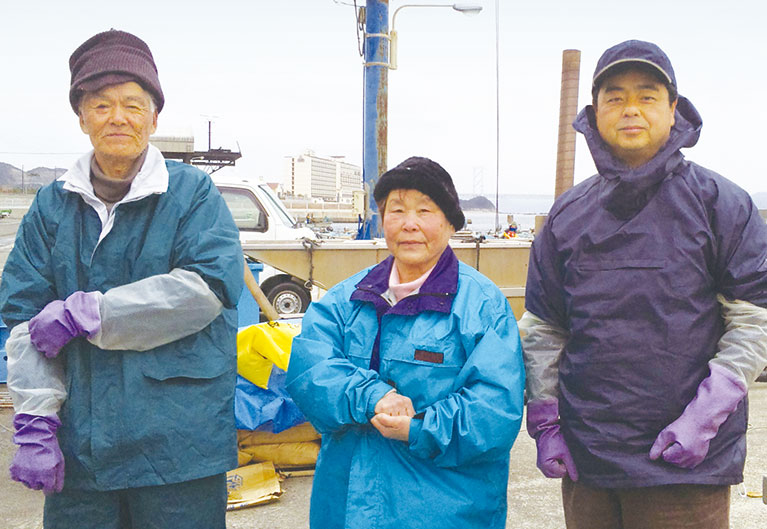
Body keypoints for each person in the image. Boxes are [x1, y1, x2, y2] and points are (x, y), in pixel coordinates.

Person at [0, 29, 243, 529]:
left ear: (153, 118)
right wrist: (36, 419)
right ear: (81, 117)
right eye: (101, 104)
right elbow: (23, 314)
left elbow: (208, 289)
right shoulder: (51, 205)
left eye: (133, 105)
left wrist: (92, 313)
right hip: (81, 448)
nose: (118, 117)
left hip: (180, 449)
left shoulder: (193, 193)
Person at [521, 39, 767, 529]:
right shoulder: (567, 215)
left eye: (647, 96)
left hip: (686, 465)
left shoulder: (721, 203)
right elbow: (544, 328)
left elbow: (754, 319)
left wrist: (706, 414)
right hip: (590, 461)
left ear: (673, 109)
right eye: (614, 97)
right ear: (594, 113)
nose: (630, 108)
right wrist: (546, 419)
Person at [286, 156, 525, 529]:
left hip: (444, 511)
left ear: (450, 223)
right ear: (383, 221)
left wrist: (418, 429)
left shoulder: (482, 305)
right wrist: (371, 396)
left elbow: (495, 412)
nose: (409, 224)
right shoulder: (346, 298)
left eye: (425, 211)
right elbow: (309, 370)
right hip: (346, 504)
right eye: (396, 210)